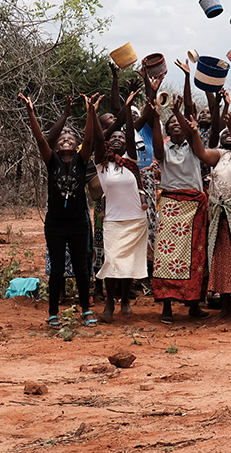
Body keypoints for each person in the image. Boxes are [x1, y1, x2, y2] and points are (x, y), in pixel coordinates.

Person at [23, 93, 99, 328]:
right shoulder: (51, 160)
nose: (66, 139)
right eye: (62, 137)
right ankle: (53, 312)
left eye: (70, 137)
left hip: (78, 224)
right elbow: (39, 139)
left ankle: (86, 310)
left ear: (76, 145)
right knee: (56, 269)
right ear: (56, 144)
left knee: (81, 269)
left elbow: (89, 138)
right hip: (55, 225)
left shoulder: (82, 160)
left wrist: (89, 112)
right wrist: (31, 113)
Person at [183, 107, 231, 318]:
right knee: (222, 260)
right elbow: (201, 153)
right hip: (221, 215)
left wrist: (230, 127)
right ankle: (226, 306)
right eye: (227, 132)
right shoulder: (221, 155)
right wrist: (193, 133)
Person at [91, 89, 150, 323]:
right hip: (113, 220)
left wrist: (127, 106)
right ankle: (109, 304)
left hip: (136, 220)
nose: (117, 139)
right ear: (107, 143)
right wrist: (92, 113)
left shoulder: (132, 162)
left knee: (129, 264)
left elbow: (131, 129)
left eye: (122, 138)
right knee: (112, 261)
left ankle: (125, 300)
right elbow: (96, 138)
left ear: (128, 145)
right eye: (113, 137)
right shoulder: (101, 164)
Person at [153, 96, 211, 324]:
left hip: (194, 204)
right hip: (170, 204)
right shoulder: (164, 148)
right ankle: (166, 306)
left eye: (179, 122)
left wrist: (178, 112)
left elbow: (193, 134)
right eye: (172, 123)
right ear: (166, 129)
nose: (176, 125)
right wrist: (158, 116)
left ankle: (194, 304)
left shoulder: (196, 147)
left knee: (195, 257)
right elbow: (157, 151)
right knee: (166, 256)